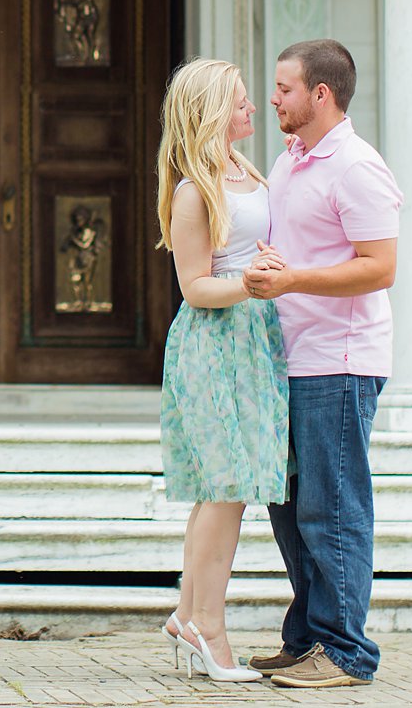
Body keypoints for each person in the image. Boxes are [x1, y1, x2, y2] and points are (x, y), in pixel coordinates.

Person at [242, 39, 400, 689]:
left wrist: (294, 279)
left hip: (340, 361)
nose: (273, 98)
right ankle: (307, 636)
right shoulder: (289, 164)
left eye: (282, 89)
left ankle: (345, 653)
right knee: (290, 505)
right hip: (291, 361)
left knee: (331, 508)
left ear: (320, 95)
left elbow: (380, 266)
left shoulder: (357, 167)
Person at [153, 58, 291, 684]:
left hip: (254, 338)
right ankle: (207, 624)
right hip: (213, 343)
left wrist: (263, 266)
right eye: (239, 100)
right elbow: (195, 287)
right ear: (211, 110)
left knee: (229, 490)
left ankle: (190, 615)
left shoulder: (249, 173)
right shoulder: (193, 190)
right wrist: (252, 283)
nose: (252, 108)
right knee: (227, 485)